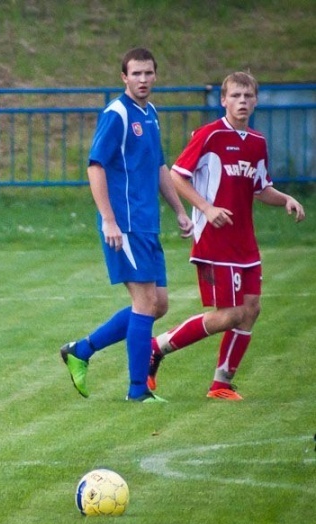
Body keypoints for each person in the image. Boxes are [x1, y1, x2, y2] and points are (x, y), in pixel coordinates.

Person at [147, 71, 306, 400]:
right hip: (214, 241)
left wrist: (286, 199)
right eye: (235, 96)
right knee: (230, 313)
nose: (242, 102)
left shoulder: (258, 142)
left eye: (248, 96)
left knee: (252, 308)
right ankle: (156, 347)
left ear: (256, 101)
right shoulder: (210, 135)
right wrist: (206, 208)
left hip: (244, 241)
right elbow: (177, 176)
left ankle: (221, 383)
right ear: (223, 100)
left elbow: (261, 189)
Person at [60, 47, 193, 403]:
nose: (143, 79)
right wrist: (108, 220)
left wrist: (180, 210)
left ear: (155, 75)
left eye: (148, 73)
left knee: (158, 304)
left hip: (147, 223)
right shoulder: (117, 114)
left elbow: (159, 167)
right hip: (125, 224)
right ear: (124, 77)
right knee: (145, 301)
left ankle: (82, 349)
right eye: (136, 74)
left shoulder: (150, 113)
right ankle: (138, 392)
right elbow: (95, 166)